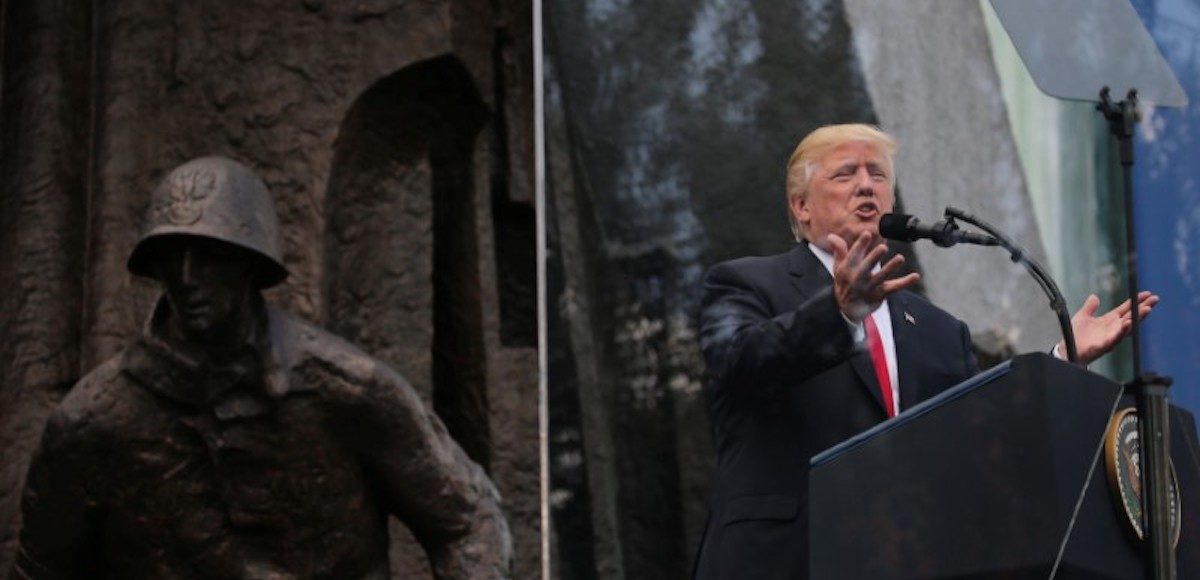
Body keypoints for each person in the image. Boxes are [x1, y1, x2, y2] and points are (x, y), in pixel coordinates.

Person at [691, 124, 1156, 579]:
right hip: (788, 557)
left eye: (877, 174)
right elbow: (736, 360)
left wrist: (1062, 361)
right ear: (802, 207)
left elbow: (979, 430)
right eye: (845, 174)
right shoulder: (744, 282)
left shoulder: (939, 330)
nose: (865, 186)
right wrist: (838, 313)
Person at [12, 157, 511, 579]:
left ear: (249, 263)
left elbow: (469, 523)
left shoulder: (349, 390)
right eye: (171, 258)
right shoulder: (93, 424)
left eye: (209, 257)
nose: (187, 279)